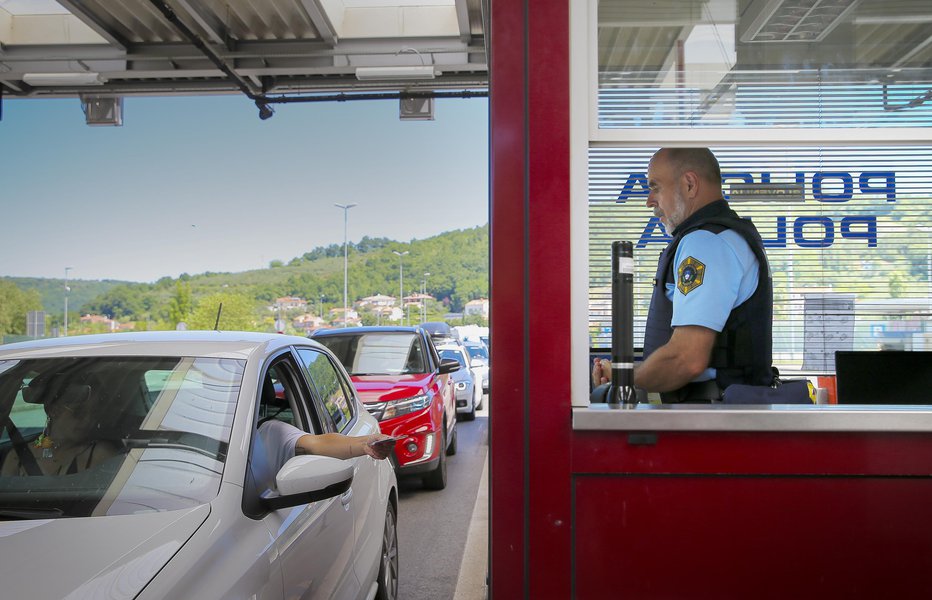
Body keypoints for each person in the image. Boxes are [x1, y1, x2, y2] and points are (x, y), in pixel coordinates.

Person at [592, 147, 773, 403]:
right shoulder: (720, 237)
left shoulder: (706, 243)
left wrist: (622, 376)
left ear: (689, 185)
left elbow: (686, 360)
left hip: (713, 421)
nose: (649, 201)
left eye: (656, 187)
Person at [1, 383, 120, 476]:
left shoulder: (100, 455)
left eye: (93, 413)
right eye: (79, 413)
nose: (87, 420)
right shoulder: (17, 457)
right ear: (54, 410)